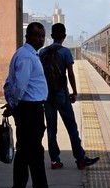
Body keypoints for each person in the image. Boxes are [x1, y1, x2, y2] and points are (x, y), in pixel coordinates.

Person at [2, 22, 64, 188]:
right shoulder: (27, 57)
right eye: (37, 36)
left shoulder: (23, 54)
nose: (41, 39)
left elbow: (9, 83)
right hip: (30, 110)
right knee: (36, 154)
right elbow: (19, 85)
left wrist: (13, 103)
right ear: (28, 36)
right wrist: (14, 104)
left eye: (43, 36)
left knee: (23, 154)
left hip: (27, 108)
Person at [39, 23, 99, 170]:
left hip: (47, 95)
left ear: (51, 36)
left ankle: (54, 161)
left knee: (51, 129)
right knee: (71, 127)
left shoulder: (42, 52)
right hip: (61, 94)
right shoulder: (65, 52)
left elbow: (39, 75)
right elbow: (70, 74)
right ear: (64, 37)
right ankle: (80, 159)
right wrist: (75, 92)